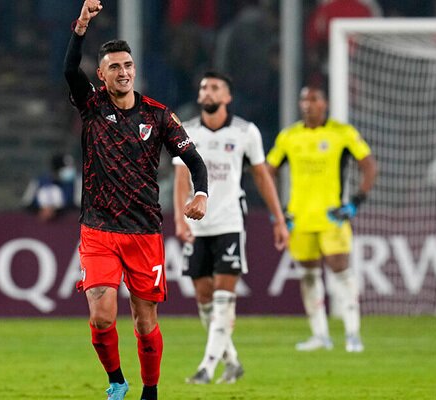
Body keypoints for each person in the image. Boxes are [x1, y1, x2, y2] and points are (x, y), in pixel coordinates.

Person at [63, 1, 208, 399]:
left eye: (127, 65)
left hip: (144, 231)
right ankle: (115, 380)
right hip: (98, 229)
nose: (123, 72)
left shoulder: (159, 116)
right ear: (102, 75)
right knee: (102, 314)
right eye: (114, 67)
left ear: (134, 70)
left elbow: (194, 160)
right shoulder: (91, 107)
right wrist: (81, 28)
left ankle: (150, 391)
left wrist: (201, 194)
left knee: (145, 321)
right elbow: (67, 70)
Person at [173, 71, 289, 384]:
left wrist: (278, 219)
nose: (207, 92)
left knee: (224, 298)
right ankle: (233, 362)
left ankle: (207, 368)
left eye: (214, 88)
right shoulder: (187, 131)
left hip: (229, 222)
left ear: (227, 97)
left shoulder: (245, 132)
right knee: (204, 299)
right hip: (197, 225)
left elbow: (262, 176)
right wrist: (178, 219)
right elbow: (181, 178)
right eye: (203, 88)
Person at [266, 85, 377, 352]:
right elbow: (267, 170)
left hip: (332, 218)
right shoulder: (289, 136)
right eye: (303, 99)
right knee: (308, 275)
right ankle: (320, 335)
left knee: (341, 271)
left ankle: (352, 334)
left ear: (324, 104)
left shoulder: (342, 133)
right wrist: (279, 211)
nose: (307, 104)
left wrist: (355, 203)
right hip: (300, 219)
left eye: (313, 99)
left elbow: (369, 166)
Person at [21, 153, 80, 221]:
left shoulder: (74, 183)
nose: (71, 171)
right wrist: (41, 210)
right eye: (67, 168)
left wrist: (56, 211)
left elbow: (77, 206)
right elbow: (26, 204)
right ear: (57, 169)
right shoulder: (39, 182)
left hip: (64, 224)